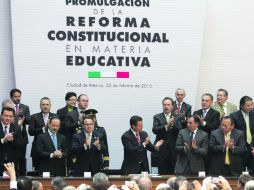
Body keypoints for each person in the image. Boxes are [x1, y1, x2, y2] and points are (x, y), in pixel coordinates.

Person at [193, 93, 220, 174]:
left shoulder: (215, 113)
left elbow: (214, 129)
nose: (204, 102)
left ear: (211, 102)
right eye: (203, 100)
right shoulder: (196, 112)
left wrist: (203, 123)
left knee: (207, 166)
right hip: (197, 143)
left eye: (206, 101)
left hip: (208, 143)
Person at [28, 97, 57, 170]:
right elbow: (31, 132)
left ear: (50, 105)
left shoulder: (56, 117)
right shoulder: (34, 117)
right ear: (40, 106)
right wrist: (43, 129)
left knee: (53, 171)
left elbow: (59, 131)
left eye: (47, 104)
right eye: (43, 104)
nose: (45, 106)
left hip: (53, 148)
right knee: (38, 172)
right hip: (38, 149)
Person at [63, 94, 89, 173]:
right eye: (83, 101)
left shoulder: (90, 114)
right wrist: (78, 122)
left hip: (88, 147)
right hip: (75, 148)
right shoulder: (70, 114)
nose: (85, 103)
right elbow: (66, 128)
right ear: (78, 102)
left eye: (87, 101)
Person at [152, 97, 178, 174]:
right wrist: (167, 126)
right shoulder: (157, 116)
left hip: (173, 149)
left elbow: (179, 130)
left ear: (172, 106)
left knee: (172, 172)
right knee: (161, 172)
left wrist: (172, 124)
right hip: (161, 149)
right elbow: (155, 130)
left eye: (168, 105)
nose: (166, 106)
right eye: (164, 105)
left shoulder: (177, 117)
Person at [10, 88, 31, 176]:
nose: (17, 98)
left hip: (22, 137)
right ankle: (13, 175)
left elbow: (29, 120)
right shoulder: (8, 106)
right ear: (11, 97)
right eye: (15, 96)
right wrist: (16, 115)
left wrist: (23, 116)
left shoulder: (25, 107)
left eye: (19, 96)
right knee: (12, 158)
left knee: (21, 158)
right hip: (11, 135)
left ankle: (23, 176)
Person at [230, 96, 254, 173]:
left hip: (252, 147)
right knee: (240, 172)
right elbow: (233, 132)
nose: (250, 107)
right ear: (242, 106)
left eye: (252, 104)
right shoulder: (234, 116)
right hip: (240, 148)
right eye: (248, 105)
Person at [0, 107, 24, 176]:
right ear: (1, 116)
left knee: (11, 184)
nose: (8, 118)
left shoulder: (16, 128)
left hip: (12, 163)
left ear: (13, 117)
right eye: (5, 115)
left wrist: (12, 140)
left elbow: (21, 145)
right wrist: (3, 140)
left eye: (10, 116)